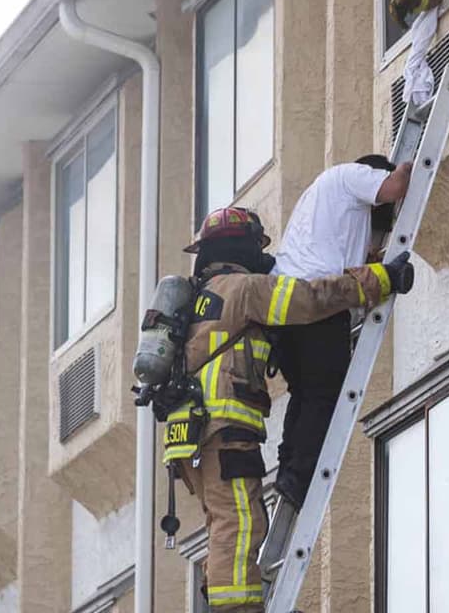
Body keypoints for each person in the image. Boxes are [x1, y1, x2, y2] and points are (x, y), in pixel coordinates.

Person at [161, 206, 413, 611]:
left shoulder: (197, 300)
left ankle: (224, 599)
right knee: (241, 524)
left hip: (188, 438)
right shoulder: (244, 289)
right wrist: (378, 278)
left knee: (224, 523)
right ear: (244, 247)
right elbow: (309, 300)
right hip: (224, 428)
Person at [269, 155, 412, 509]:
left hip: (283, 308)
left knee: (303, 393)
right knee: (325, 393)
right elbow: (395, 186)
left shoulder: (323, 202)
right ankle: (299, 477)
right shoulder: (352, 175)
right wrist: (410, 167)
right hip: (318, 302)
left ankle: (289, 471)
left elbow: (357, 255)